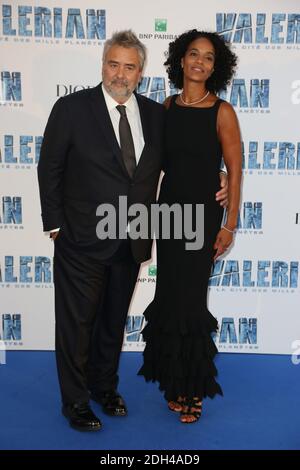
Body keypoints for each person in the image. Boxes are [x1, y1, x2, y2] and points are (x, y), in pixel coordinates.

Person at [38, 30, 228, 432]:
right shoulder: (71, 109)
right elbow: (50, 167)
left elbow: (185, 153)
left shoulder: (156, 113)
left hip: (133, 238)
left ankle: (104, 388)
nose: (120, 74)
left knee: (111, 323)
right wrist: (55, 225)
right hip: (81, 239)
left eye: (129, 66)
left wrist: (221, 173)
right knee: (77, 326)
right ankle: (75, 403)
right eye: (113, 64)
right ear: (102, 65)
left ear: (140, 72)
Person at [138, 30, 242, 424]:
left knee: (191, 302)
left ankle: (192, 389)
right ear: (180, 60)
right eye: (193, 54)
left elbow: (235, 171)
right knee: (168, 295)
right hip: (169, 214)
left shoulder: (223, 111)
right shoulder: (166, 106)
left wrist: (229, 223)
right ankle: (173, 379)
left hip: (202, 217)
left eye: (209, 57)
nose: (199, 61)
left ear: (217, 67)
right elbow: (160, 163)